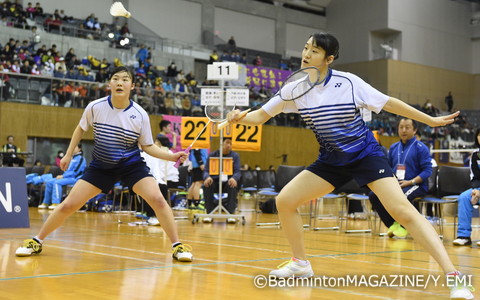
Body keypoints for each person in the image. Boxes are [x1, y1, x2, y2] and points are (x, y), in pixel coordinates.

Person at [225, 33, 473, 299]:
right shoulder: (294, 89)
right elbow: (261, 115)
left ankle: (453, 277)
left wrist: (430, 120)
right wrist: (239, 118)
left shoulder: (349, 83)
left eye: (315, 51)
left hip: (366, 156)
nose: (306, 54)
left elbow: (389, 102)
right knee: (285, 200)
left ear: (329, 59)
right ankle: (300, 264)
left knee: (402, 210)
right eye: (306, 48)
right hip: (331, 160)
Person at [15, 66, 193, 263]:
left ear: (132, 86)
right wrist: (67, 155)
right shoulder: (95, 107)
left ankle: (177, 246)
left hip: (131, 164)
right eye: (115, 79)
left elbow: (147, 146)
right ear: (109, 84)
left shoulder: (140, 114)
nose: (119, 82)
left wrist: (172, 156)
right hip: (101, 166)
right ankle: (36, 241)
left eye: (125, 79)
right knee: (69, 205)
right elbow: (80, 129)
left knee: (158, 200)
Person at [369, 118, 432, 238]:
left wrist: (411, 182)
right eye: (401, 127)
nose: (403, 130)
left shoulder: (421, 147)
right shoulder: (393, 147)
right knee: (374, 195)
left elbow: (428, 171)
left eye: (407, 127)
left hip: (416, 185)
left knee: (403, 196)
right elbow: (388, 167)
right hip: (397, 185)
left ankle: (405, 227)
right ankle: (392, 224)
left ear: (414, 130)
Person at [140, 135, 179, 226]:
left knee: (160, 187)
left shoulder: (162, 152)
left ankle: (160, 216)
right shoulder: (145, 153)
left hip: (168, 179)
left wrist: (158, 180)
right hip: (151, 178)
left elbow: (158, 170)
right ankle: (152, 215)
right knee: (150, 187)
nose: (155, 143)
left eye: (156, 141)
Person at [202, 138, 241, 223]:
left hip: (228, 181)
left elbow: (238, 171)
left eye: (231, 144)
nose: (229, 145)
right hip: (215, 181)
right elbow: (206, 170)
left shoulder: (235, 156)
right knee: (207, 184)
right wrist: (207, 177)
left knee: (233, 185)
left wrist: (234, 178)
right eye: (227, 143)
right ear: (221, 143)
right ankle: (209, 213)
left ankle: (230, 214)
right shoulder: (212, 155)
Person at [452, 128, 480, 246]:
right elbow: (474, 176)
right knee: (464, 197)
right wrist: (475, 190)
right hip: (478, 188)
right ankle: (464, 236)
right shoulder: (475, 154)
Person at [38, 144, 86, 209]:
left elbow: (76, 172)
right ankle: (46, 202)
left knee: (57, 183)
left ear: (79, 149)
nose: (73, 148)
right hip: (66, 177)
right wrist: (63, 176)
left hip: (74, 178)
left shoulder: (81, 159)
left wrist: (63, 176)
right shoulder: (71, 158)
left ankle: (56, 203)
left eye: (75, 147)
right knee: (49, 182)